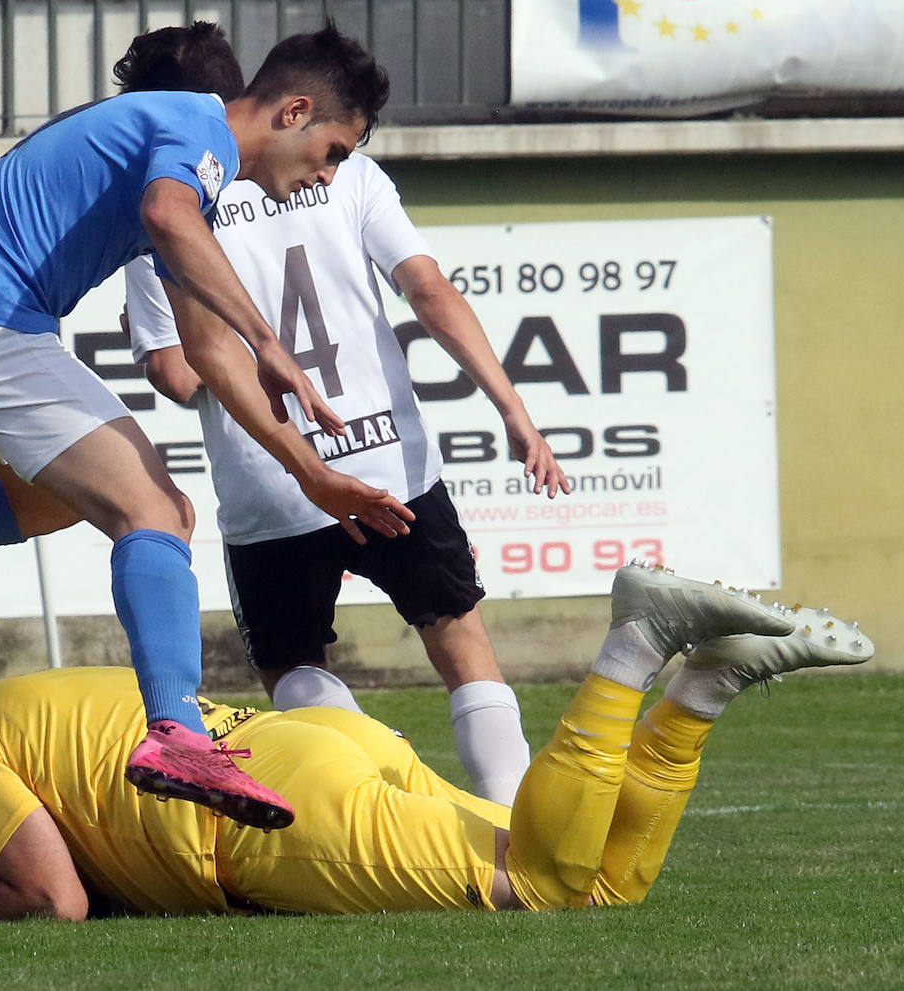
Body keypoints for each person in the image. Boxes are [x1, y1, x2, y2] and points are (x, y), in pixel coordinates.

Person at [0, 22, 416, 832]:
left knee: (47, 502)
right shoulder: (198, 138)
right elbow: (169, 217)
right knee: (159, 512)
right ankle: (177, 732)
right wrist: (271, 342)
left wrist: (308, 470)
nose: (329, 170)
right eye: (336, 148)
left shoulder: (181, 144)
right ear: (295, 112)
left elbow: (208, 351)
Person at [0, 563, 875, 922]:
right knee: (601, 882)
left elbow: (54, 900)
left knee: (539, 882)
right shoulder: (27, 695)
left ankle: (640, 642)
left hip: (266, 816)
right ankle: (702, 687)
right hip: (315, 743)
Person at [122, 143, 570, 806]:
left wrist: (148, 341)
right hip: (391, 461)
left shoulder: (166, 207)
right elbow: (429, 289)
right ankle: (513, 821)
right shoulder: (353, 175)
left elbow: (179, 373)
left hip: (274, 475)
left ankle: (396, 793)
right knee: (460, 639)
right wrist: (515, 410)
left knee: (291, 664)